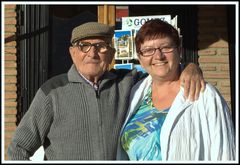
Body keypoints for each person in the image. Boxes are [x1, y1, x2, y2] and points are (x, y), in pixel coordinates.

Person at [8, 22, 205, 160]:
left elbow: (162, 70)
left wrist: (188, 67)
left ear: (111, 53)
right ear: (72, 52)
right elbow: (19, 148)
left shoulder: (128, 82)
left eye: (100, 46)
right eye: (84, 46)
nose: (92, 53)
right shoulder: (51, 92)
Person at [116, 19, 235, 161]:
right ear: (140, 58)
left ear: (179, 50)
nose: (158, 56)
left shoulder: (205, 95)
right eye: (148, 50)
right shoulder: (135, 92)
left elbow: (225, 153)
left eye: (166, 47)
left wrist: (192, 66)